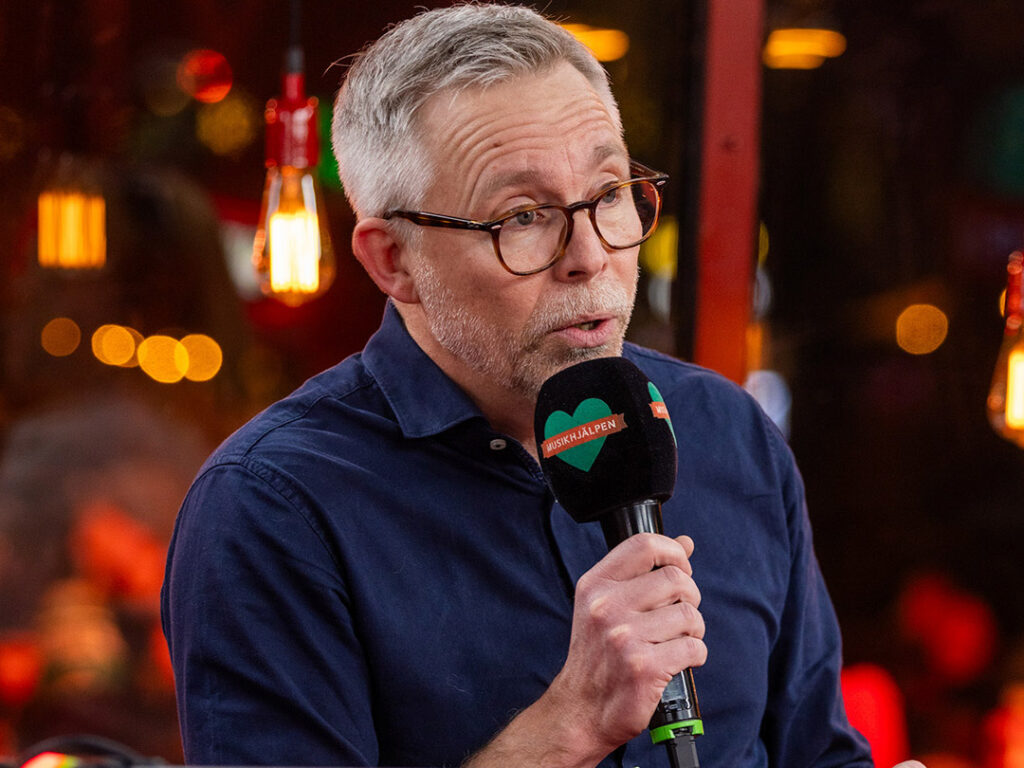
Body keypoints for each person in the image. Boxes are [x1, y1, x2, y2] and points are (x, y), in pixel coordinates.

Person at [161, 5, 924, 768]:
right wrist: (569, 724)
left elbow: (816, 752)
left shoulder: (727, 429)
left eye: (608, 193)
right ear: (392, 260)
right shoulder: (271, 509)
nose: (590, 255)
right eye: (523, 216)